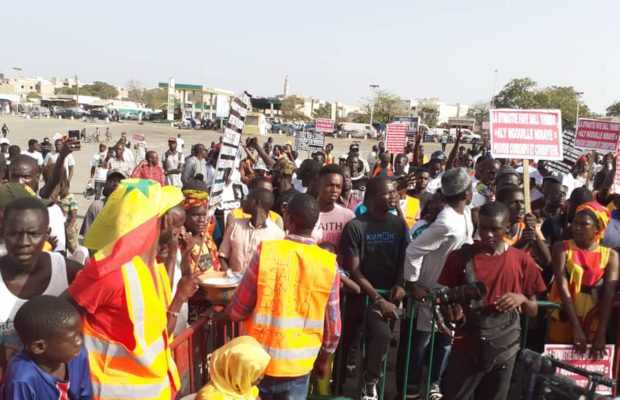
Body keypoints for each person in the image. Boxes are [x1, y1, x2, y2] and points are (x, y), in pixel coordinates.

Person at [68, 179, 201, 399]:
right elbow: (60, 315)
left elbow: (156, 334)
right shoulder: (109, 272)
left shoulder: (150, 268)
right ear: (165, 221)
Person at [217, 194, 341, 399]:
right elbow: (333, 324)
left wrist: (222, 318)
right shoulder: (329, 264)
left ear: (289, 220)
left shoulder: (266, 252)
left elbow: (240, 307)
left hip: (258, 361)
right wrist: (325, 359)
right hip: (298, 367)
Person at [439, 202, 546, 400]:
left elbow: (533, 311)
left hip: (504, 351)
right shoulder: (460, 257)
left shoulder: (522, 260)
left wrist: (521, 298)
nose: (488, 234)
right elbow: (444, 295)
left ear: (507, 227)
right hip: (467, 348)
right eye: (484, 228)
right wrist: (452, 309)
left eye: (495, 229)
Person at [399, 168, 473, 399]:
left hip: (451, 292)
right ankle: (411, 389)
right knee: (421, 343)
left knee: (445, 342)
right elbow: (413, 250)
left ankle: (435, 384)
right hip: (430, 291)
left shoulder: (466, 213)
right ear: (467, 192)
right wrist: (413, 284)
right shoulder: (446, 222)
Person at [338, 177, 408, 400]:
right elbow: (354, 270)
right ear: (370, 199)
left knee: (382, 335)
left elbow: (405, 259)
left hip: (386, 298)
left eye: (395, 192)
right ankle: (335, 385)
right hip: (359, 296)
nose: (394, 196)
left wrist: (399, 284)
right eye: (388, 193)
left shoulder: (398, 224)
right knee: (345, 343)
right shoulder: (355, 226)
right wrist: (378, 299)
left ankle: (370, 380)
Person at [0, 197, 82, 375]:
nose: (24, 243)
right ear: (2, 233)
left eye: (34, 234)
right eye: (14, 233)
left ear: (47, 234)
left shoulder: (69, 272)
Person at [548, 201, 619, 355]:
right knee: (557, 369)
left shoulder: (610, 256)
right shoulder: (562, 248)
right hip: (564, 318)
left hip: (593, 320)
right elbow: (562, 287)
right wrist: (576, 326)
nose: (577, 228)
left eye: (584, 224)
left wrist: (601, 333)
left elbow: (608, 295)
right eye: (575, 223)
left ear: (597, 228)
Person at [0, 295, 92, 399]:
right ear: (39, 347)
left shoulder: (79, 356)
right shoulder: (21, 380)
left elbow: (85, 396)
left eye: (78, 334)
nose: (79, 341)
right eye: (72, 338)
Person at [218, 188, 285, 273]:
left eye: (248, 199)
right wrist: (229, 276)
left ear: (257, 203)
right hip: (232, 284)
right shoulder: (235, 225)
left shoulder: (278, 235)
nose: (243, 202)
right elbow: (222, 256)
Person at [189, 336, 271, 400]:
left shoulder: (247, 389)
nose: (261, 377)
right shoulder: (209, 397)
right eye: (254, 372)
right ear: (238, 371)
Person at [315, 164, 356, 246]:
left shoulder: (348, 216)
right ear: (318, 185)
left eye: (338, 186)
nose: (334, 190)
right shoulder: (306, 215)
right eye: (330, 185)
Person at [80, 171, 126, 238]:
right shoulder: (97, 206)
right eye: (112, 180)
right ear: (106, 184)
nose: (116, 183)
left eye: (119, 181)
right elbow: (87, 236)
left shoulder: (130, 207)